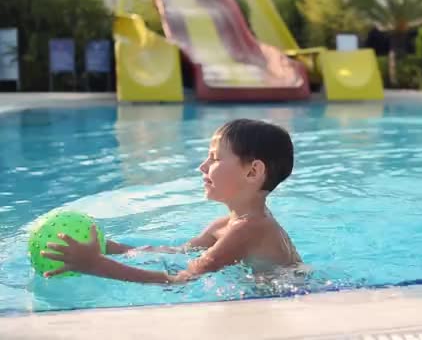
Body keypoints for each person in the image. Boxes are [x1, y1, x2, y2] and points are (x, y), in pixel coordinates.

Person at [41, 119, 302, 284]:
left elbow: (179, 282)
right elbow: (177, 253)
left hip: (291, 298)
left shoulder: (249, 230)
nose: (202, 166)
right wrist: (112, 248)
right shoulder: (224, 225)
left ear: (253, 172)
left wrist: (96, 265)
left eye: (214, 158)